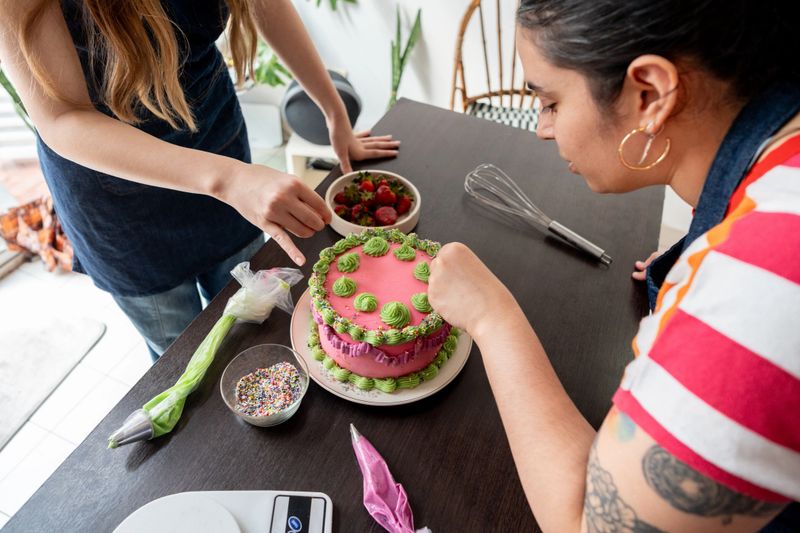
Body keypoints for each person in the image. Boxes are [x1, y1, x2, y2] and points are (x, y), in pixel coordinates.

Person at [428, 1, 800, 531]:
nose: (542, 128)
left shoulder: (755, 297)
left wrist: (492, 317)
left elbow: (585, 522)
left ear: (648, 93)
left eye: (551, 101)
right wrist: (693, 256)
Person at [0, 0, 400, 360]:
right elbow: (61, 117)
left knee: (254, 328)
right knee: (185, 360)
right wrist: (228, 180)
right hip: (122, 208)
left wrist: (334, 112)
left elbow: (268, 6)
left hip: (218, 149)